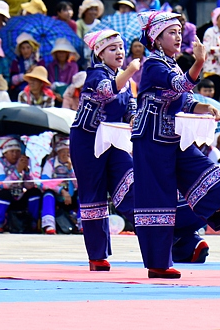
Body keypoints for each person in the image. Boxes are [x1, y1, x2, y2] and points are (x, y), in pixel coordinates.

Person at [131, 11, 220, 278]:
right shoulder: (154, 65)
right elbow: (180, 85)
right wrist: (200, 61)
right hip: (151, 139)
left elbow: (185, 98)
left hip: (173, 136)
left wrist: (203, 107)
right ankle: (158, 263)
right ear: (156, 39)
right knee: (158, 198)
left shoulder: (171, 63)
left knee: (204, 169)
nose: (178, 37)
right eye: (172, 32)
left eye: (180, 32)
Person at [69, 29, 139, 269]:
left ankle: (160, 233)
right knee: (94, 196)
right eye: (112, 49)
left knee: (130, 183)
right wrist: (130, 71)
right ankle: (97, 256)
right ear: (99, 54)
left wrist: (133, 118)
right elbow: (108, 90)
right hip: (88, 141)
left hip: (115, 140)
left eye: (121, 47)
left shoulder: (125, 78)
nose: (119, 52)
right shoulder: (95, 74)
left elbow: (130, 106)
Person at [0, 137, 41, 232]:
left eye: (17, 151)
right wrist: (18, 171)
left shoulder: (21, 163)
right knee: (4, 193)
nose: (15, 154)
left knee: (34, 192)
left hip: (17, 197)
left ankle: (32, 222)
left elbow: (29, 186)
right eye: (12, 152)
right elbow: (3, 184)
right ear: (5, 153)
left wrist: (26, 171)